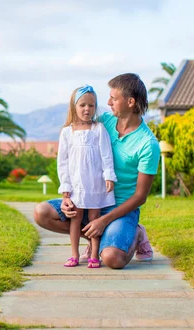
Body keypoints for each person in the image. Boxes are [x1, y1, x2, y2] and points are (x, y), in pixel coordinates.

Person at [34, 73, 160, 269]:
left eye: (114, 98)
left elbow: (140, 196)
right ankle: (98, 244)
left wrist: (104, 220)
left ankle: (136, 234)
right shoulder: (103, 122)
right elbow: (74, 147)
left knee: (112, 259)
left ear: (130, 101)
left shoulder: (148, 144)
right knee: (42, 212)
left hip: (119, 210)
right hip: (87, 197)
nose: (108, 102)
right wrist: (67, 198)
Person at [58, 85, 117, 268]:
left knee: (94, 217)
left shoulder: (98, 129)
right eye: (82, 105)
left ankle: (94, 254)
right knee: (75, 218)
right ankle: (74, 254)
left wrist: (109, 176)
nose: (87, 109)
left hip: (95, 182)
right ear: (74, 106)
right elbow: (63, 162)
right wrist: (65, 187)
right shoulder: (67, 132)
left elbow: (107, 155)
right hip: (76, 184)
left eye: (91, 106)